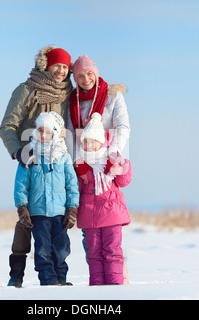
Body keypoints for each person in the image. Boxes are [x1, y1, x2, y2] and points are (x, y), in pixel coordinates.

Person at [0, 46, 73, 288]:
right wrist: (18, 152)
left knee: (53, 228)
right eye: (56, 66)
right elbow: (7, 126)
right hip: (30, 161)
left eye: (65, 67)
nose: (61, 71)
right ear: (45, 65)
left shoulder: (69, 93)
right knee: (25, 221)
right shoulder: (27, 90)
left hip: (58, 164)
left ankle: (56, 277)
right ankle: (16, 274)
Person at [66, 55, 131, 284]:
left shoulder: (113, 96)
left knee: (111, 231)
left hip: (107, 168)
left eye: (89, 73)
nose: (85, 79)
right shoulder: (72, 101)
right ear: (75, 78)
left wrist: (111, 154)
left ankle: (117, 276)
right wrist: (76, 163)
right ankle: (98, 279)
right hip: (83, 169)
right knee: (90, 232)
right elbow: (70, 136)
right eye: (80, 76)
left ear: (96, 72)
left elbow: (123, 126)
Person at [14, 112, 79, 286]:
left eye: (48, 131)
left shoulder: (63, 157)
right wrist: (22, 207)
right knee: (43, 249)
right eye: (40, 130)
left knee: (61, 247)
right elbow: (21, 183)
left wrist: (72, 208)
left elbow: (72, 184)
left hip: (59, 213)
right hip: (38, 212)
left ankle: (60, 279)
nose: (42, 135)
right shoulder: (30, 155)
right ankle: (48, 280)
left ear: (55, 134)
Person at [75, 113, 132, 285]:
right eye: (86, 142)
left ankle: (115, 284)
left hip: (111, 214)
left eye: (93, 141)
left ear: (101, 142)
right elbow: (76, 189)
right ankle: (97, 285)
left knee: (112, 249)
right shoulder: (80, 165)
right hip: (90, 216)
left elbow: (124, 181)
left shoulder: (110, 159)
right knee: (93, 252)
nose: (89, 145)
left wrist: (121, 167)